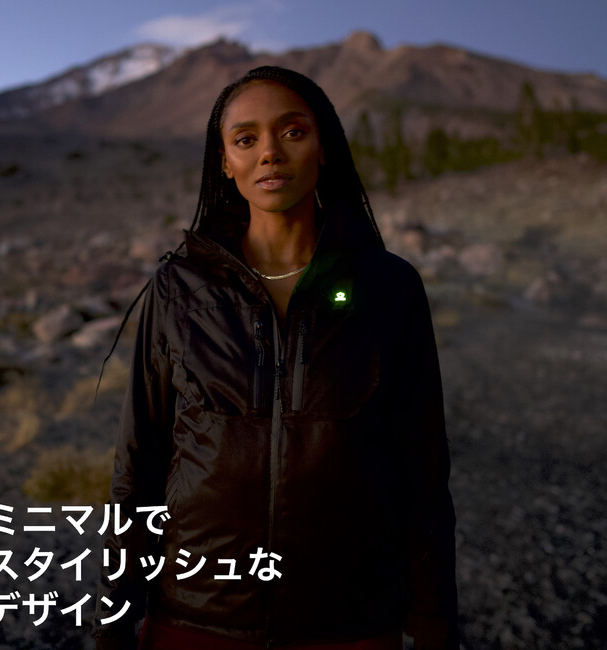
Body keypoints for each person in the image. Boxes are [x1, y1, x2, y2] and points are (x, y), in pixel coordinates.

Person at [94, 66, 458, 650]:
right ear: (225, 162)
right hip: (194, 617)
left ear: (323, 147)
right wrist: (113, 617)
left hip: (349, 623)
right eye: (246, 139)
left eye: (292, 132)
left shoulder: (389, 287)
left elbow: (423, 467)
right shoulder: (178, 289)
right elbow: (139, 462)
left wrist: (435, 619)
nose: (270, 153)